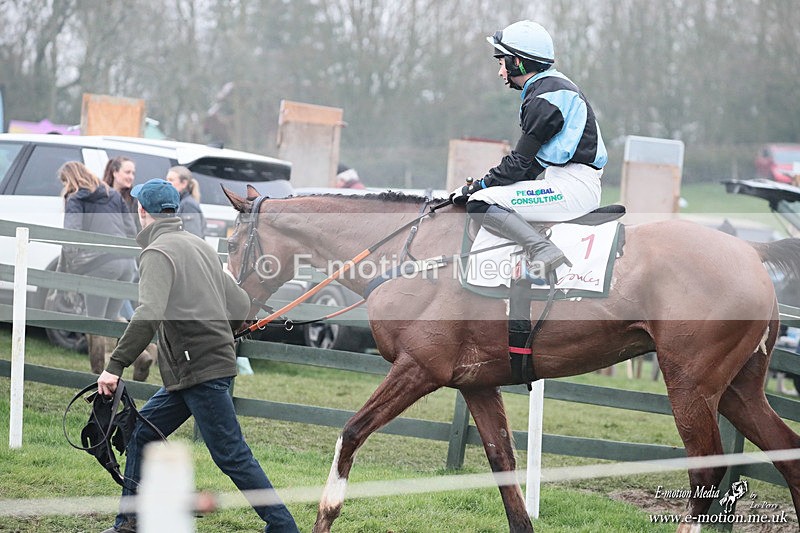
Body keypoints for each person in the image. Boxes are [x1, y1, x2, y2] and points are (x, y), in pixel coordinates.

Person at [96, 179, 298, 533]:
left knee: (231, 455)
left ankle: (283, 526)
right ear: (173, 211)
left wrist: (114, 366)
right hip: (197, 368)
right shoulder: (200, 246)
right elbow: (237, 304)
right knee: (143, 434)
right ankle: (129, 522)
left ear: (142, 211)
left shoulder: (157, 253)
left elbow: (148, 312)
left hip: (199, 370)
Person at [451, 20, 607, 276]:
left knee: (479, 202)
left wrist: (477, 187)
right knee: (487, 196)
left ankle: (542, 250)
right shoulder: (549, 89)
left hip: (572, 187)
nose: (501, 72)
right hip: (567, 182)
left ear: (517, 62)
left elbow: (519, 164)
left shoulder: (546, 97)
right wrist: (486, 184)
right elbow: (528, 168)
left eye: (501, 63)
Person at [59, 161, 136, 373]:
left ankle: (97, 378)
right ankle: (145, 353)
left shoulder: (75, 199)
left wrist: (72, 265)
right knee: (111, 318)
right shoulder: (113, 195)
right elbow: (131, 229)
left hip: (101, 265)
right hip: (127, 264)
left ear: (70, 180)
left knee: (94, 323)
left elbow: (71, 236)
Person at [166, 165, 206, 238]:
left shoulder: (188, 205)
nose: (167, 183)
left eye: (171, 180)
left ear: (184, 183)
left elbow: (193, 237)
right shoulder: (180, 202)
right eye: (167, 180)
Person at [102, 156, 140, 235]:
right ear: (115, 172)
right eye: (127, 172)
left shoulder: (134, 200)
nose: (131, 177)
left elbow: (138, 229)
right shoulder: (100, 196)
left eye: (133, 173)